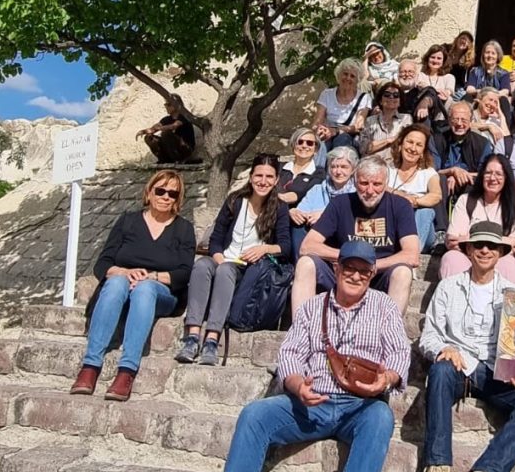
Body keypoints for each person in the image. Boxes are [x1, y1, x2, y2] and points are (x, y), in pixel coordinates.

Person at [181, 241, 409, 472]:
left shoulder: (384, 307)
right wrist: (297, 383)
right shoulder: (313, 307)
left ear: (372, 274)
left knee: (381, 418)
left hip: (359, 406)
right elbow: (290, 353)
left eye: (364, 271)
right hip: (310, 403)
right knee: (254, 416)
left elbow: (400, 353)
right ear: (337, 269)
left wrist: (386, 380)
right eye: (349, 268)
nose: (356, 276)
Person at [416, 222, 515, 472]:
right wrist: (443, 349)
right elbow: (429, 336)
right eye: (479, 245)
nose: (485, 250)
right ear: (469, 250)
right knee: (439, 372)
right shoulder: (448, 287)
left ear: (500, 252)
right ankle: (436, 470)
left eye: (491, 246)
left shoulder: (512, 294)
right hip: (458, 364)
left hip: (493, 370)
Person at [70, 170, 194, 401]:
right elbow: (103, 263)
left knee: (144, 289)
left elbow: (185, 272)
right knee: (116, 282)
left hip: (161, 292)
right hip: (123, 286)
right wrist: (125, 272)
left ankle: (127, 370)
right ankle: (90, 366)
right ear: (149, 192)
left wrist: (153, 277)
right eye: (161, 191)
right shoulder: (128, 221)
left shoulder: (184, 228)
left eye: (173, 194)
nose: (166, 197)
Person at [177, 155, 291, 365]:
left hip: (247, 268)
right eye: (258, 175)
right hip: (224, 259)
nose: (263, 181)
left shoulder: (279, 208)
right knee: (201, 265)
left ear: (276, 180)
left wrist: (264, 248)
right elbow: (216, 240)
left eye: (269, 177)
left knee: (226, 270)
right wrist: (219, 258)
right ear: (251, 177)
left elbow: (285, 246)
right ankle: (192, 337)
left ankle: (212, 340)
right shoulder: (235, 201)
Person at [292, 155, 420, 318]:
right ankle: (300, 327)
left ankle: (391, 328)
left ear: (386, 183)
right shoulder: (340, 203)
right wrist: (351, 257)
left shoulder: (400, 205)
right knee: (305, 263)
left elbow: (412, 255)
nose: (370, 191)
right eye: (364, 183)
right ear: (354, 181)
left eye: (377, 184)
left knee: (403, 272)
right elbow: (307, 246)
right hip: (343, 274)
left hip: (379, 276)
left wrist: (372, 265)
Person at [439, 154, 515, 284]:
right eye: (488, 173)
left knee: (509, 263)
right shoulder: (466, 200)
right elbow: (453, 240)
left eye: (499, 174)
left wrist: (471, 239)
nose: (492, 178)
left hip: (498, 258)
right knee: (451, 258)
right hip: (468, 256)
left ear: (506, 178)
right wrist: (498, 241)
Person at [288, 147, 358, 261]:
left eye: (344, 167)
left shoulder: (357, 192)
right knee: (298, 225)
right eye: (334, 167)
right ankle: (300, 263)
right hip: (317, 242)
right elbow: (302, 211)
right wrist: (295, 212)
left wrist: (325, 216)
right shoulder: (317, 189)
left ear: (353, 170)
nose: (338, 171)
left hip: (343, 241)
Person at [387, 125, 442, 253]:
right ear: (400, 145)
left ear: (423, 152)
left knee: (426, 212)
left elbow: (436, 195)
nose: (413, 148)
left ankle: (410, 253)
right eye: (410, 142)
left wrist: (414, 201)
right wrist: (401, 195)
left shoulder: (428, 173)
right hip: (394, 225)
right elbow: (380, 188)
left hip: (422, 231)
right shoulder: (388, 170)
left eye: (419, 145)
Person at [429, 101, 493, 197]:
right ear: (449, 120)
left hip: (470, 187)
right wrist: (451, 171)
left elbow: (485, 172)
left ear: (471, 121)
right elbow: (432, 170)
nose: (459, 123)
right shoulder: (436, 140)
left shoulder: (482, 143)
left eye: (464, 120)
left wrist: (461, 175)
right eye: (455, 119)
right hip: (442, 186)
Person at [314, 59, 372, 153]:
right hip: (327, 133)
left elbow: (358, 126)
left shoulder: (364, 97)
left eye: (352, 76)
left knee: (342, 139)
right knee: (321, 144)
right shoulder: (326, 94)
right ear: (339, 75)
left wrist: (335, 131)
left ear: (357, 80)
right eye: (345, 74)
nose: (348, 78)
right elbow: (317, 121)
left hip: (349, 136)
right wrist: (320, 130)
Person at [136, 94, 195, 164]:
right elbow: (153, 129)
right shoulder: (166, 119)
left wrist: (160, 128)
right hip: (172, 149)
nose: (166, 106)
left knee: (166, 133)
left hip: (185, 148)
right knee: (149, 138)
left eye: (168, 104)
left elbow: (173, 126)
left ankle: (178, 160)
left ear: (176, 105)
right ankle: (163, 159)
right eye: (165, 104)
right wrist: (143, 131)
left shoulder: (184, 116)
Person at [357, 81, 412, 156]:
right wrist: (389, 140)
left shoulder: (406, 119)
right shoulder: (370, 121)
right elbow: (364, 148)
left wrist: (376, 144)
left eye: (396, 95)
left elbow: (406, 142)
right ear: (380, 101)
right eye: (387, 94)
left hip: (395, 160)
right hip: (372, 161)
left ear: (400, 102)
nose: (391, 97)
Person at [277, 128, 325, 209]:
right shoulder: (280, 168)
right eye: (300, 142)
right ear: (293, 145)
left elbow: (304, 193)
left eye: (309, 143)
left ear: (316, 149)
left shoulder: (319, 173)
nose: (304, 146)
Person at [397, 57, 444, 125]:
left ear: (417, 75)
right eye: (403, 72)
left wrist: (424, 103)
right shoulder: (393, 93)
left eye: (410, 71)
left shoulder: (422, 92)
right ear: (398, 75)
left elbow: (432, 94)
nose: (407, 74)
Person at [464, 41, 511, 108]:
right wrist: (480, 92)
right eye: (487, 52)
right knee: (467, 97)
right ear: (483, 55)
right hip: (478, 99)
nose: (490, 55)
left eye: (493, 53)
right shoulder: (475, 71)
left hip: (496, 100)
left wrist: (490, 95)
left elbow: (505, 91)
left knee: (504, 100)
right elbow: (469, 89)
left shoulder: (504, 73)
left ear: (498, 56)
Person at [445, 30, 475, 99]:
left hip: (457, 88)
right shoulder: (446, 50)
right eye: (462, 38)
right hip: (443, 82)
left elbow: (467, 80)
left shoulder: (468, 60)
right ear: (457, 39)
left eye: (467, 41)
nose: (464, 41)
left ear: (469, 45)